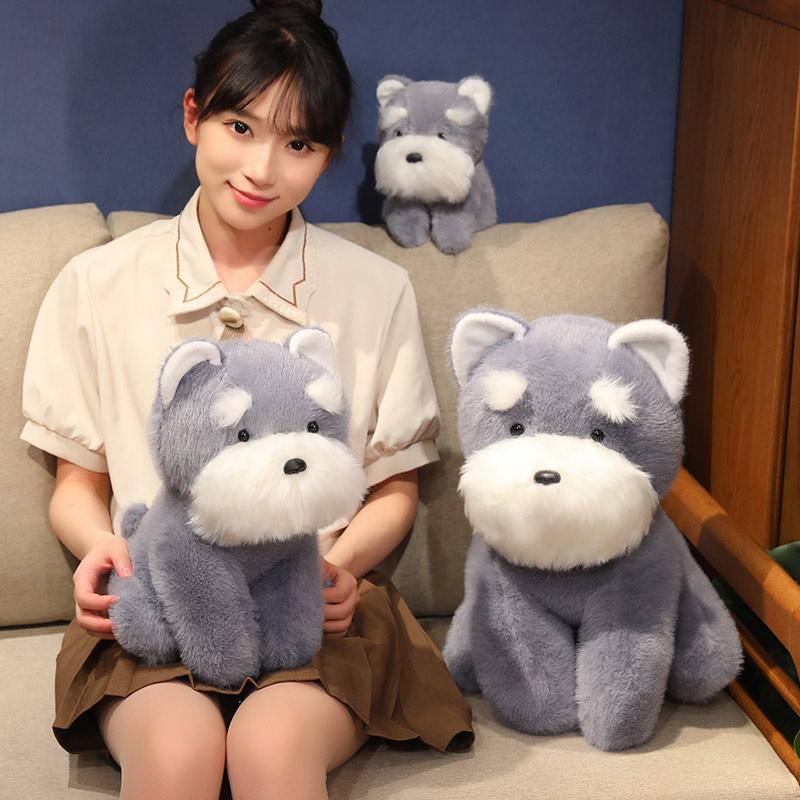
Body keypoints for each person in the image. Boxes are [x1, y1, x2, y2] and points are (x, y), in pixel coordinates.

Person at [20, 2, 473, 798]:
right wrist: (102, 550)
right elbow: (77, 484)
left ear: (327, 154)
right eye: (240, 127)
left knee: (270, 747)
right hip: (160, 596)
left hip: (311, 610)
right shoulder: (96, 284)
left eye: (298, 144)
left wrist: (336, 569)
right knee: (178, 751)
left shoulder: (376, 290)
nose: (263, 170)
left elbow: (394, 489)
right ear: (193, 116)